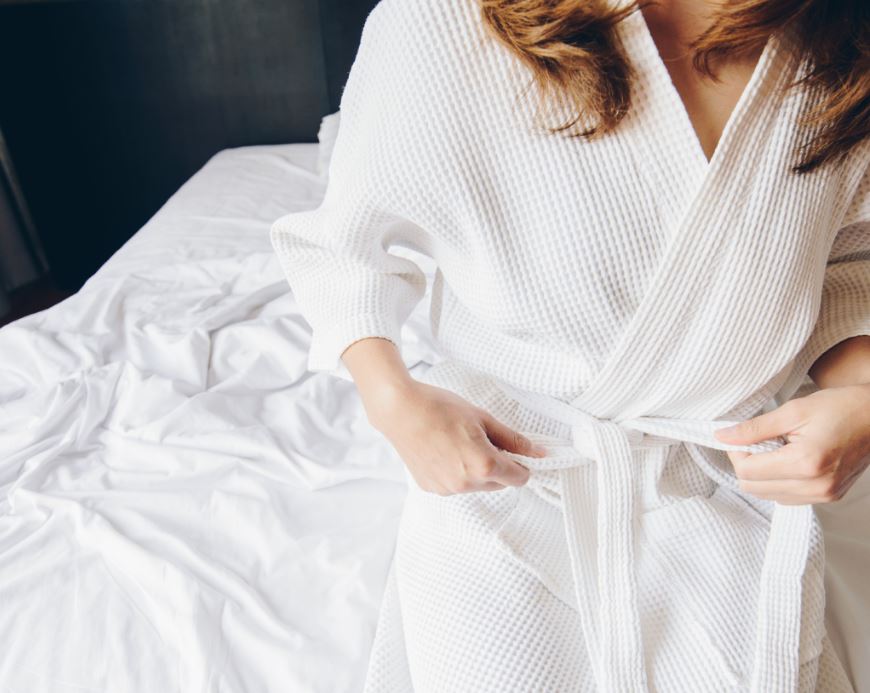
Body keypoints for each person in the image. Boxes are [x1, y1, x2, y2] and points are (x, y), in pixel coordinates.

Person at [270, 0, 870, 690]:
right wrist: (393, 399)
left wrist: (860, 396)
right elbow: (342, 246)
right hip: (513, 471)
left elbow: (847, 259)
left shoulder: (842, 43)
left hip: (738, 470)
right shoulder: (445, 23)